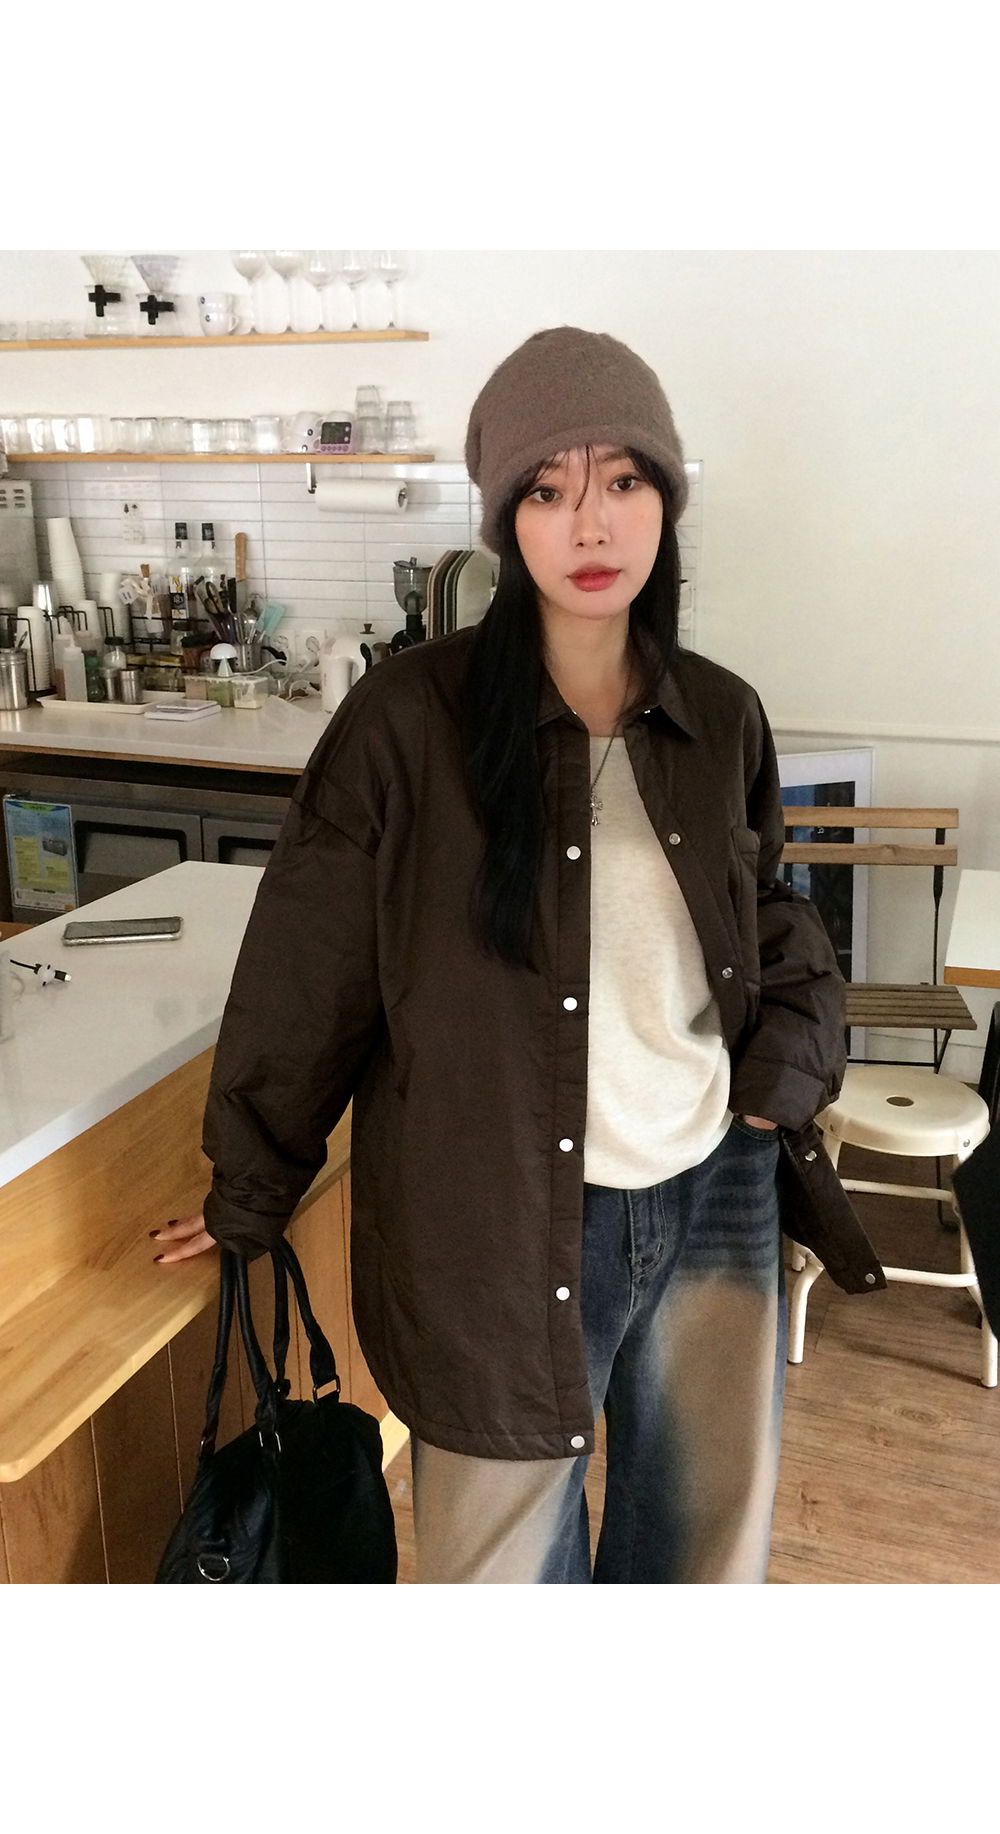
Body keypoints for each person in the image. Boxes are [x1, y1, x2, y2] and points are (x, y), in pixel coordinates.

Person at [154, 326, 883, 1584]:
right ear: (505, 523)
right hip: (492, 1221)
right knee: (497, 1580)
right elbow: (307, 969)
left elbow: (770, 912)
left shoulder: (720, 714)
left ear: (664, 500)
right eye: (546, 491)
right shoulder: (406, 725)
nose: (589, 524)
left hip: (712, 1188)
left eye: (622, 480)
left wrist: (787, 1069)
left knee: (698, 1564)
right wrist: (250, 1190)